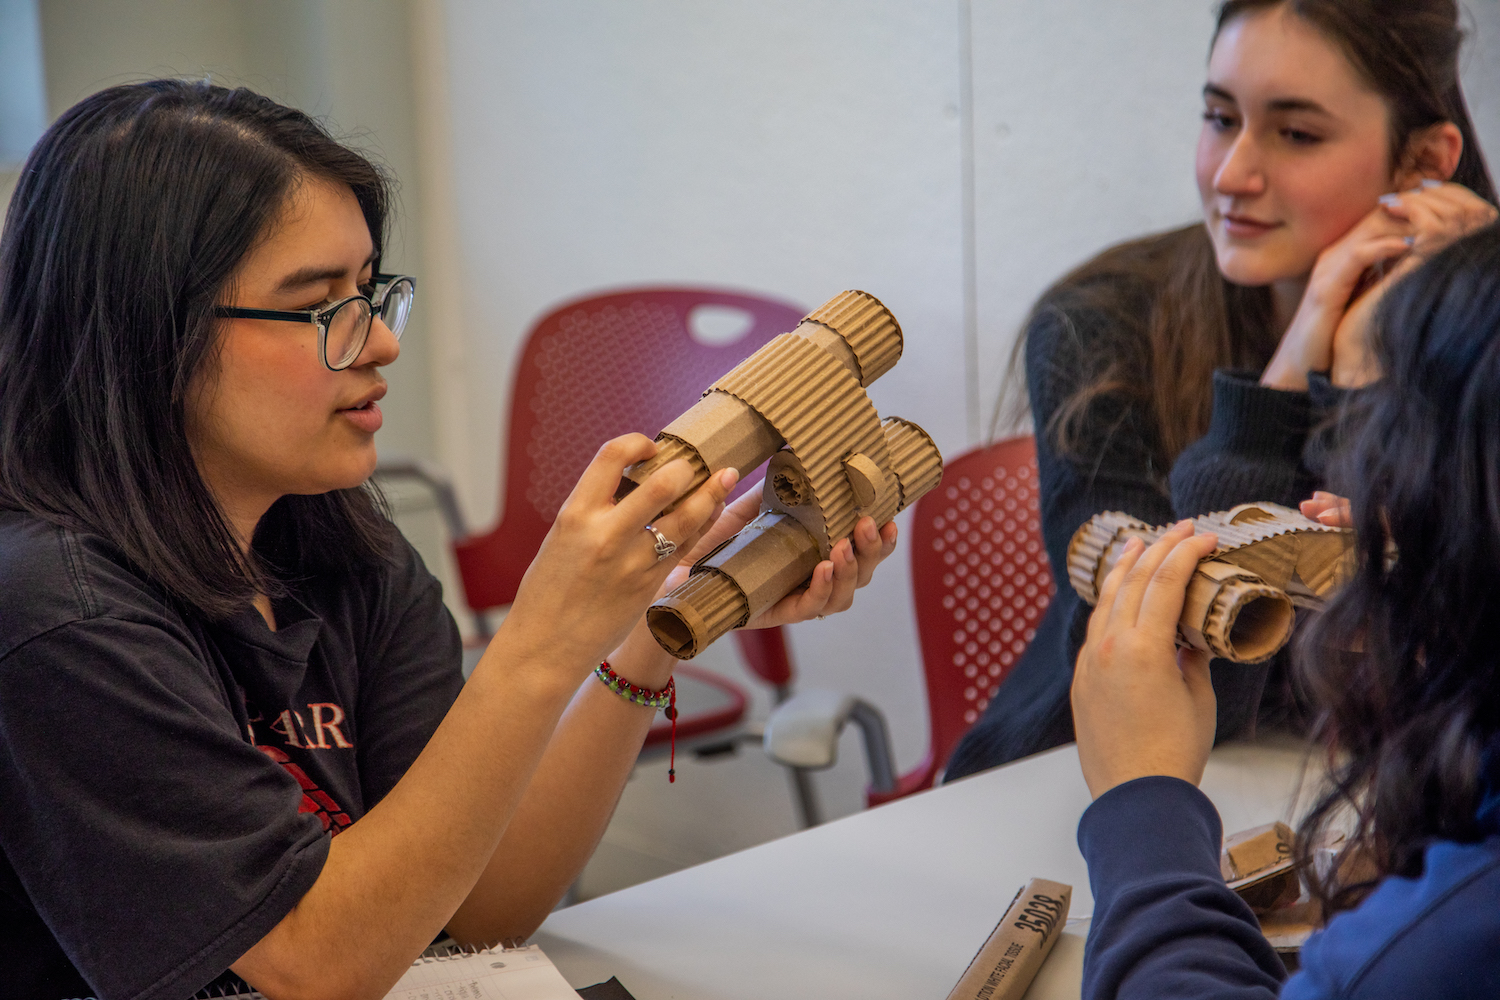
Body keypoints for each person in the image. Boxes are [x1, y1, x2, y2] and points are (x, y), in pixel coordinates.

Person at [0, 80, 896, 1000]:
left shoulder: (343, 554)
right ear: (151, 336)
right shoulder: (54, 614)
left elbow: (478, 911)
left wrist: (653, 629)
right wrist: (544, 638)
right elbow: (314, 966)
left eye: (370, 292)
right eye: (321, 307)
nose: (381, 346)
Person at [946, 0, 1498, 779]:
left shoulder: (1479, 339)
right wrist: (1283, 384)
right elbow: (1183, 680)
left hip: (1365, 813)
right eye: (1218, 117)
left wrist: (1367, 369)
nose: (1233, 174)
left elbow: (1415, 675)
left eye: (1296, 133)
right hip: (1065, 790)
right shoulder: (1100, 325)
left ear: (1424, 164)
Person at [1069, 220, 1500, 997]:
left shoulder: (1439, 938)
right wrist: (1454, 648)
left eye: (1391, 436)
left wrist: (1144, 798)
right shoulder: (1095, 317)